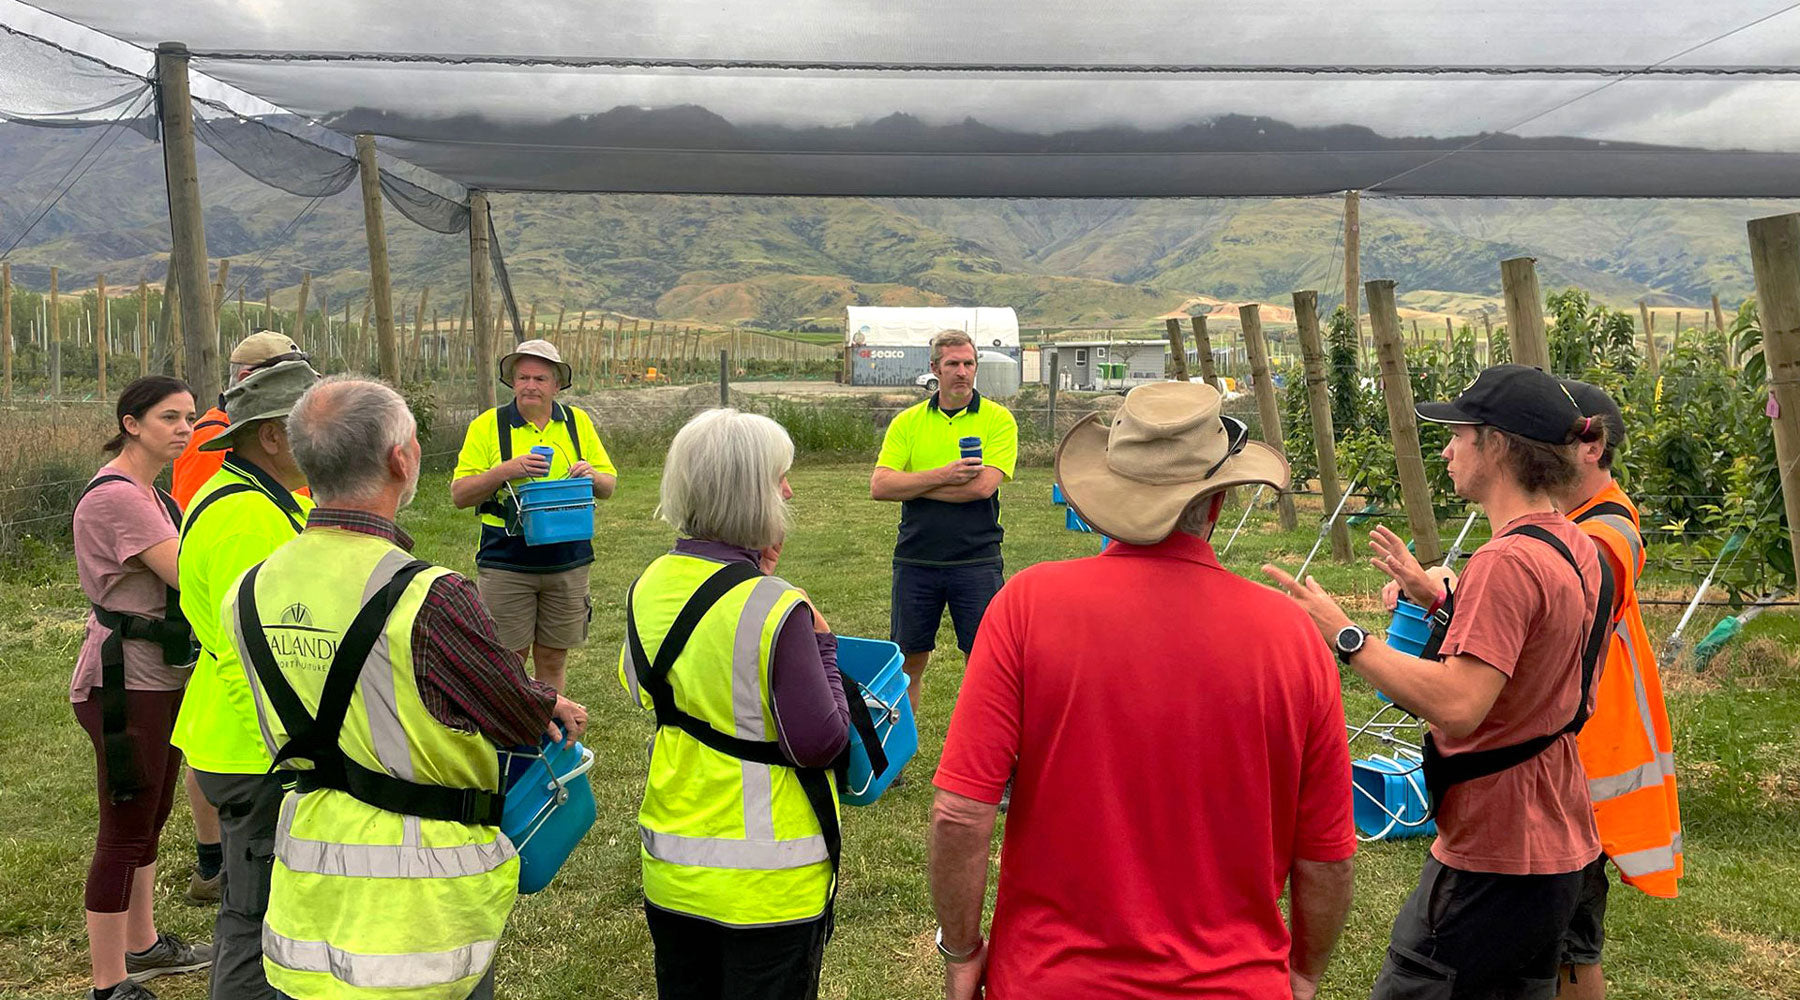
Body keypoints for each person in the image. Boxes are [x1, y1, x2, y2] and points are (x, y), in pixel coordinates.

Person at [931, 381, 1355, 1000]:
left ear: (1106, 497)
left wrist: (962, 949)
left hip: (1051, 980)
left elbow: (960, 811)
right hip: (1236, 983)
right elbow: (1327, 857)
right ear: (1216, 504)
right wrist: (1304, 974)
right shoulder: (1293, 635)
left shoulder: (1027, 605)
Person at [220, 376, 588, 1000]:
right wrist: (548, 703)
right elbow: (516, 718)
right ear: (402, 459)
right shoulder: (429, 596)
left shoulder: (251, 589)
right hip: (422, 912)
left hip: (307, 889)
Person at [1266, 363, 1610, 999]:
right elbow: (1533, 663)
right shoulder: (1570, 545)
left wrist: (1344, 633)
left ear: (1498, 444)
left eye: (1457, 434)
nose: (1448, 449)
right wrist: (1440, 600)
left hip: (1496, 854)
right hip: (1557, 832)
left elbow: (1458, 704)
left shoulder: (1504, 560)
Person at [620, 408, 850, 1000]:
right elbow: (821, 741)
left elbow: (644, 687)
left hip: (673, 866)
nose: (790, 490)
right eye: (780, 478)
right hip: (769, 883)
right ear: (749, 492)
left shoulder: (648, 582)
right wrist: (821, 641)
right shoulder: (778, 606)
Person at [169, 359, 319, 1000]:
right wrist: (289, 745)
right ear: (273, 437)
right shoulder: (245, 519)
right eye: (311, 427)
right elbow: (248, 647)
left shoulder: (261, 498)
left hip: (245, 733)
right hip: (252, 742)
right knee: (252, 912)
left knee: (257, 898)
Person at [71, 375, 213, 1000]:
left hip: (160, 673)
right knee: (125, 824)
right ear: (131, 423)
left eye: (188, 417)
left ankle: (144, 944)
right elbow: (188, 574)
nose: (184, 429)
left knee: (151, 812)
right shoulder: (119, 498)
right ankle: (110, 982)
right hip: (126, 683)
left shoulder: (153, 495)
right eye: (168, 418)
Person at [1553, 379, 1683, 997]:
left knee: (1571, 942)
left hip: (1586, 769)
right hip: (1571, 761)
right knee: (1558, 940)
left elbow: (1567, 595)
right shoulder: (1572, 520)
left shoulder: (1610, 531)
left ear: (1592, 444)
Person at [452, 339, 617, 692]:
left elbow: (609, 485)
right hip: (506, 562)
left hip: (568, 561)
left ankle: (553, 739)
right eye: (523, 377)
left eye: (540, 379)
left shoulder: (578, 423)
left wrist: (591, 475)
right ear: (512, 381)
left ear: (557, 385)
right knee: (507, 662)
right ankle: (512, 742)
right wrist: (506, 470)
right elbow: (460, 495)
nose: (530, 385)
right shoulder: (487, 426)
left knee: (554, 658)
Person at [870, 329, 1017, 713]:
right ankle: (897, 758)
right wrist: (945, 475)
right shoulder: (908, 422)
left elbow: (982, 488)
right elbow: (881, 486)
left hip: (977, 560)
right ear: (935, 368)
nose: (962, 372)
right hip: (917, 559)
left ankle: (988, 763)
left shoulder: (998, 420)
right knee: (907, 664)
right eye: (953, 364)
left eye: (969, 364)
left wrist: (914, 485)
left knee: (985, 664)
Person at [172, 331, 307, 508]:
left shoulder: (281, 430)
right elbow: (198, 512)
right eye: (288, 377)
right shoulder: (210, 439)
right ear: (246, 379)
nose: (301, 385)